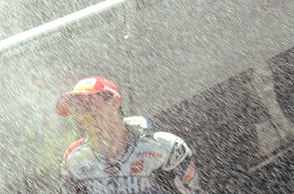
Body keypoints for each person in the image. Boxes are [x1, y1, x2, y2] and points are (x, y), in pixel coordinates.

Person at [56, 76, 203, 193]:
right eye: (77, 108)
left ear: (114, 103)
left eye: (89, 104)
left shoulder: (164, 147)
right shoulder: (74, 159)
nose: (83, 114)